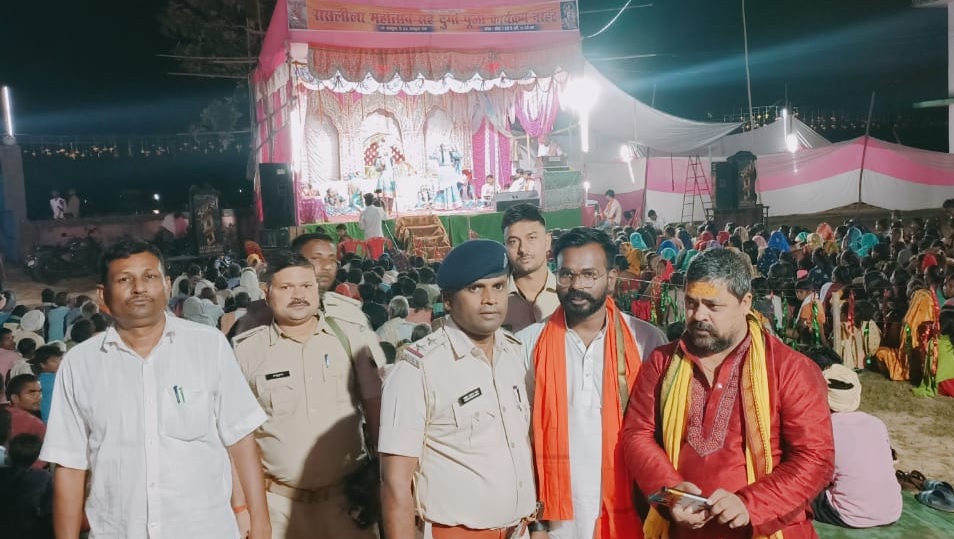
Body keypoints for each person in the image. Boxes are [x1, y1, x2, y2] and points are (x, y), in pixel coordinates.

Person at [39, 239, 271, 539]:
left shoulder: (208, 346)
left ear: (167, 284)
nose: (139, 288)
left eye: (149, 277)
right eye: (125, 279)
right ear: (102, 295)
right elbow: (70, 468)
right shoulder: (79, 365)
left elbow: (241, 441)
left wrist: (261, 525)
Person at [622, 248, 834, 539]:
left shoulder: (790, 369)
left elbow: (816, 458)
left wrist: (750, 504)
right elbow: (637, 435)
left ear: (745, 302)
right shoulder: (662, 362)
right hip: (681, 528)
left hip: (766, 527)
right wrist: (669, 493)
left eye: (713, 306)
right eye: (691, 303)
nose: (698, 316)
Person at [380, 239, 541, 539]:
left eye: (498, 286)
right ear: (449, 299)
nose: (490, 299)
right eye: (475, 288)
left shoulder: (517, 356)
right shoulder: (417, 370)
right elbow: (395, 483)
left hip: (520, 529)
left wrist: (538, 525)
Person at [516, 227, 667, 539]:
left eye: (589, 275)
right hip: (554, 519)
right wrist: (536, 524)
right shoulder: (527, 344)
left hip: (628, 511)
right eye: (567, 275)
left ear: (611, 279)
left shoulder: (645, 341)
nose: (577, 286)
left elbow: (661, 435)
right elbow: (519, 439)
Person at [231, 251, 385, 539]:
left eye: (306, 286)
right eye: (286, 287)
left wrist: (383, 484)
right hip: (278, 508)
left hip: (348, 505)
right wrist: (242, 509)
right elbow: (237, 440)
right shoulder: (246, 352)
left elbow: (377, 415)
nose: (298, 295)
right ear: (267, 294)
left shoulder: (351, 338)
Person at [805, 350, 902, 529]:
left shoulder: (823, 429)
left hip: (848, 515)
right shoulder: (876, 423)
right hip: (892, 511)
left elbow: (814, 476)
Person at [502, 203, 560, 333]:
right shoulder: (495, 299)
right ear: (504, 246)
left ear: (547, 241)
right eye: (513, 242)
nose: (523, 249)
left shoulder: (567, 295)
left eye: (531, 238)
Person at [6, 374, 47, 467]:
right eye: (32, 393)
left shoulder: (4, 415)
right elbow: (44, 457)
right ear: (15, 398)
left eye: (40, 392)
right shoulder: (35, 423)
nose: (39, 397)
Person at [30, 344, 62, 423]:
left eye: (60, 359)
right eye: (54, 361)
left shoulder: (37, 380)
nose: (59, 363)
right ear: (42, 365)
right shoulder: (53, 380)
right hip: (53, 420)